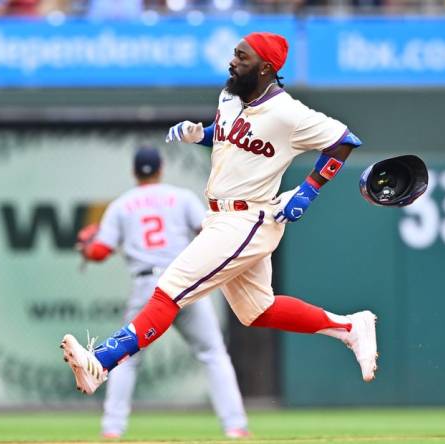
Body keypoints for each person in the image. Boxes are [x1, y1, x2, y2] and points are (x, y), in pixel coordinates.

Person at [61, 31, 378, 403]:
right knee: (258, 311)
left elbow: (344, 140)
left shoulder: (288, 113)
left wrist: (309, 189)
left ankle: (102, 362)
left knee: (170, 289)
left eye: (243, 58)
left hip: (248, 220)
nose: (233, 62)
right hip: (220, 215)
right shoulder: (230, 97)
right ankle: (348, 326)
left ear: (266, 68)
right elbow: (231, 136)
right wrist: (203, 135)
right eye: (234, 55)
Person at [76, 147, 250, 439]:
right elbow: (209, 231)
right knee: (213, 354)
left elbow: (100, 251)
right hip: (184, 281)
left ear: (134, 172)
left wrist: (86, 247)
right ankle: (235, 426)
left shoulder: (121, 205)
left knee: (126, 357)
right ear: (161, 168)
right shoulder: (181, 197)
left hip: (147, 285)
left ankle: (112, 429)